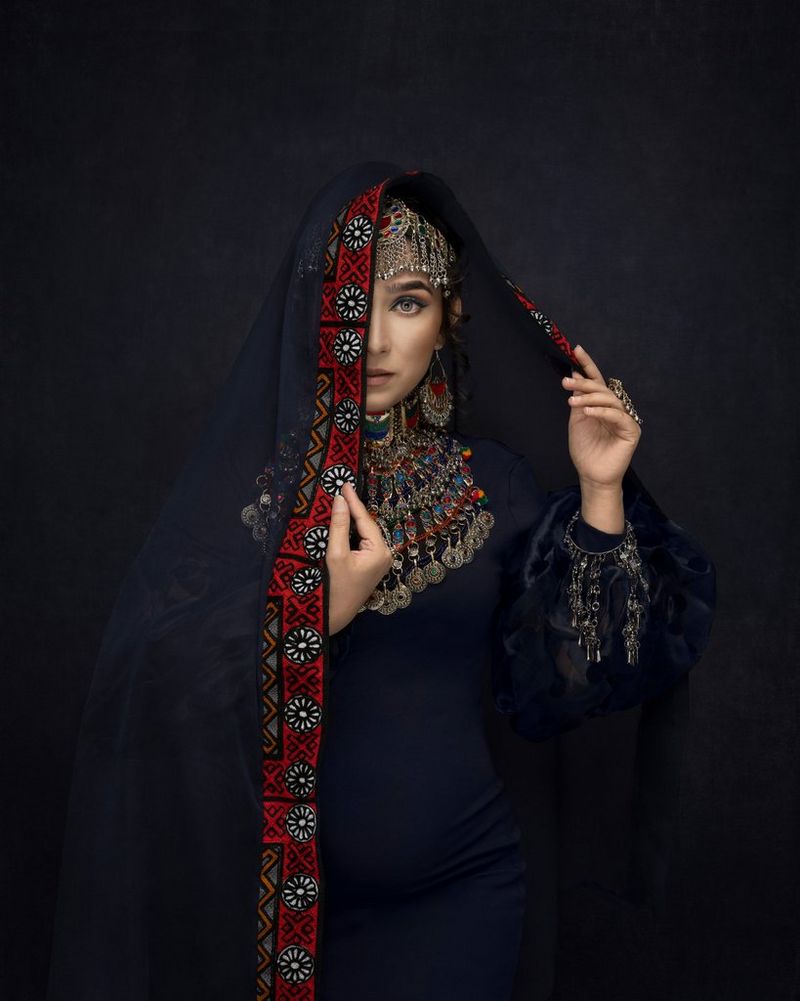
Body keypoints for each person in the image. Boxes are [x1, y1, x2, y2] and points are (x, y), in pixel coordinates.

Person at [46, 162, 716, 1001]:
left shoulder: (492, 485)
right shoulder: (258, 497)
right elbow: (153, 704)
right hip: (277, 919)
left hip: (460, 895)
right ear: (314, 311)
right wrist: (313, 614)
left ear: (449, 314)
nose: (374, 339)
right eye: (351, 302)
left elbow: (573, 685)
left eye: (406, 302)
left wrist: (602, 490)